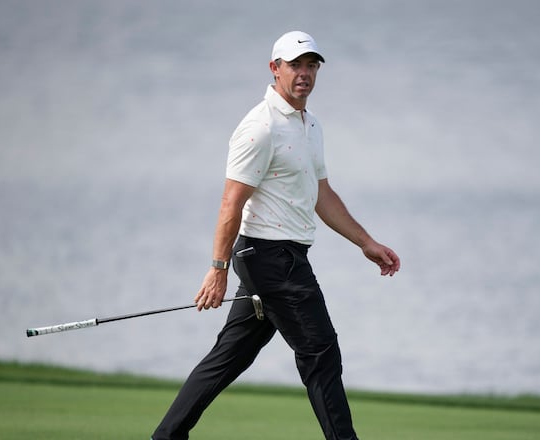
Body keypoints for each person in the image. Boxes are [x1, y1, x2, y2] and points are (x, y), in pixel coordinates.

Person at [151, 30, 400, 440]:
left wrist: (366, 243)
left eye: (311, 65)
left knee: (230, 356)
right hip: (271, 258)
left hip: (278, 258)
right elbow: (231, 203)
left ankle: (166, 436)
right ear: (275, 69)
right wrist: (217, 269)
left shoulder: (310, 124)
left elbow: (322, 193)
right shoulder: (260, 128)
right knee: (321, 354)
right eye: (295, 65)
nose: (304, 73)